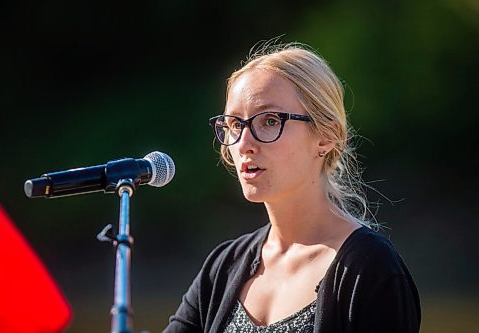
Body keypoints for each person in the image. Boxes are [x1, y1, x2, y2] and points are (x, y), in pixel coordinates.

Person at [163, 41, 421, 332]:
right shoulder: (223, 267)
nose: (244, 144)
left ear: (326, 136)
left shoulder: (371, 268)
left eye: (270, 121)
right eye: (235, 124)